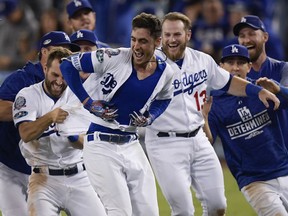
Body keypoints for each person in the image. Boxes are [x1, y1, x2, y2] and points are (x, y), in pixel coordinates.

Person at [143, 12, 279, 216]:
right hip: (164, 143)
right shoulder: (149, 64)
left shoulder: (202, 60)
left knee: (217, 205)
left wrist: (258, 90)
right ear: (160, 37)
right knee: (183, 211)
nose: (172, 39)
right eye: (167, 35)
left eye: (177, 34)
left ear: (188, 35)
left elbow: (229, 82)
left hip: (198, 139)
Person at [59, 12, 175, 216]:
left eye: (143, 41)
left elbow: (165, 98)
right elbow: (67, 65)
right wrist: (88, 102)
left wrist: (151, 117)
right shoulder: (114, 56)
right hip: (100, 144)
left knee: (150, 213)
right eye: (133, 40)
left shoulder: (166, 72)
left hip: (132, 144)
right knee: (119, 212)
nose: (136, 47)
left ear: (157, 41)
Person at [12, 47, 107, 216]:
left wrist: (72, 136)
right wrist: (50, 118)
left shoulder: (80, 97)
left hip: (79, 177)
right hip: (44, 179)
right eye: (55, 75)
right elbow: (25, 133)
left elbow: (90, 142)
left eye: (64, 76)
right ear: (45, 69)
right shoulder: (28, 95)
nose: (59, 81)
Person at [0, 31, 80, 216]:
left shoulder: (70, 84)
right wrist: (34, 113)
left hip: (45, 169)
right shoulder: (23, 78)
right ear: (44, 52)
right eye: (59, 50)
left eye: (68, 51)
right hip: (9, 165)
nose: (64, 55)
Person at [203, 44, 288, 215]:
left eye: (240, 63)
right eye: (230, 63)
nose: (235, 67)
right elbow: (208, 141)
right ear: (221, 67)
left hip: (285, 168)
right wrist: (203, 117)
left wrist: (278, 90)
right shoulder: (214, 103)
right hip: (254, 180)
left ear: (249, 67)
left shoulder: (262, 89)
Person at [233, 14, 288, 149]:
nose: (246, 40)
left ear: (265, 37)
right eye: (242, 36)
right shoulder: (236, 76)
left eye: (252, 34)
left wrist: (278, 89)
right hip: (254, 154)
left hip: (283, 151)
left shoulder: (282, 68)